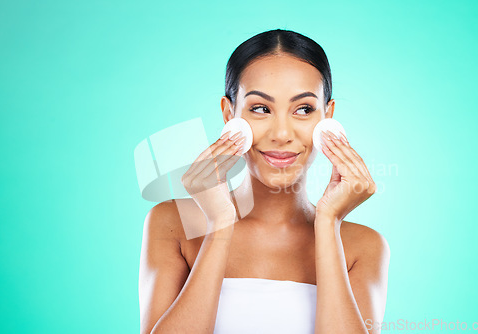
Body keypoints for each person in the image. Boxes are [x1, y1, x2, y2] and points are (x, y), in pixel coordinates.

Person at [139, 28, 390, 334]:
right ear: (230, 115)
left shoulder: (363, 247)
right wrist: (219, 225)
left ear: (328, 118)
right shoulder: (172, 224)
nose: (282, 134)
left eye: (304, 109)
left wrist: (328, 224)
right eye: (261, 109)